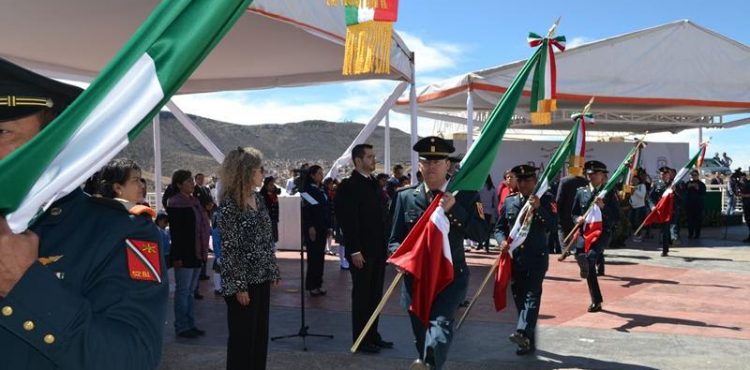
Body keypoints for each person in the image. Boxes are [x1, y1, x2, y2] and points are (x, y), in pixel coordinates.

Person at [0, 57, 167, 369]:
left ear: (53, 143)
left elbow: (134, 359)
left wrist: (25, 284)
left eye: (2, 132)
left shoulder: (121, 232)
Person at [389, 137, 488, 370]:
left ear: (448, 165)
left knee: (441, 324)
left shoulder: (465, 196)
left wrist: (455, 209)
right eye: (426, 160)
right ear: (419, 165)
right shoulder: (405, 197)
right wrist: (398, 259)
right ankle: (429, 363)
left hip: (450, 277)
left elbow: (482, 233)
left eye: (438, 161)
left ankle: (429, 364)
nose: (432, 166)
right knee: (422, 334)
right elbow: (394, 240)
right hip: (415, 280)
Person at [217, 147, 281, 370]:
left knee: (259, 338)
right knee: (242, 341)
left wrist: (272, 269)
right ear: (246, 171)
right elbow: (230, 247)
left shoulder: (259, 199)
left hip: (261, 278)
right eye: (260, 169)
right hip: (242, 284)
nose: (263, 173)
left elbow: (266, 238)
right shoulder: (228, 205)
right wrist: (239, 286)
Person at [336, 144, 392, 354]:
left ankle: (373, 334)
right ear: (358, 161)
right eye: (369, 157)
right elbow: (348, 221)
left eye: (373, 155)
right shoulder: (349, 186)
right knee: (362, 295)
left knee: (375, 294)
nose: (373, 159)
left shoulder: (373, 183)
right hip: (362, 252)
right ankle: (361, 338)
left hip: (377, 249)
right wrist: (354, 250)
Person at [495, 165, 556, 355]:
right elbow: (499, 228)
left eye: (527, 180)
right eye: (519, 180)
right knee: (520, 299)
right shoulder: (510, 201)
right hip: (516, 259)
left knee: (532, 296)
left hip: (536, 257)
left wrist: (538, 209)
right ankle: (528, 341)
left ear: (535, 181)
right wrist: (501, 241)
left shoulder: (546, 199)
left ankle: (521, 331)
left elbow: (554, 226)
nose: (522, 184)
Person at [166, 169, 210, 338]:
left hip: (197, 252)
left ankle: (190, 324)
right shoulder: (175, 203)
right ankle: (181, 326)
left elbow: (201, 227)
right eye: (188, 181)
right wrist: (176, 257)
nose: (192, 184)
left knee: (191, 291)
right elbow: (176, 234)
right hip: (184, 254)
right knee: (183, 291)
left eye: (192, 181)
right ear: (179, 185)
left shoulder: (195, 202)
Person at [571, 160, 620, 312]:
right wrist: (577, 219)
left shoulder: (609, 193)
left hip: (601, 233)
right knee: (582, 258)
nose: (590, 176)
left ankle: (595, 300)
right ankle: (596, 300)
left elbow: (616, 217)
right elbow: (574, 212)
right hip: (585, 232)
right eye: (588, 173)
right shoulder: (581, 192)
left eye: (594, 174)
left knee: (590, 258)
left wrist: (603, 207)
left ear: (602, 176)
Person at [301, 165, 331, 297]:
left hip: (322, 227)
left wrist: (329, 226)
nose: (321, 175)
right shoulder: (306, 190)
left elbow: (325, 208)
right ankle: (312, 286)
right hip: (313, 228)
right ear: (312, 175)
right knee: (313, 257)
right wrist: (310, 226)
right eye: (319, 173)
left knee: (320, 257)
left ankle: (318, 284)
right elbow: (308, 210)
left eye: (322, 173)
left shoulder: (321, 189)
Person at [555, 171, 589, 255]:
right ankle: (576, 250)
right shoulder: (585, 181)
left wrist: (556, 211)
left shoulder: (564, 181)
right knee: (577, 233)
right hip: (579, 213)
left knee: (562, 231)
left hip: (564, 213)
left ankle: (565, 250)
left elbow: (559, 198)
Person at [477, 175, 498, 252]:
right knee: (487, 228)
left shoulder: (479, 187)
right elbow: (495, 201)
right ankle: (486, 246)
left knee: (480, 227)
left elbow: (477, 198)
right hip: (489, 210)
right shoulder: (492, 189)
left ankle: (480, 244)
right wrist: (495, 211)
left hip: (480, 208)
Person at [685, 170, 707, 239]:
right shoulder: (688, 183)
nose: (693, 176)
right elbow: (684, 192)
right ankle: (690, 234)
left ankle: (697, 234)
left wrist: (697, 188)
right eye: (692, 175)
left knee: (698, 221)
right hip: (689, 205)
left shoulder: (701, 184)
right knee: (690, 221)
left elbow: (703, 193)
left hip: (698, 205)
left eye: (695, 175)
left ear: (697, 175)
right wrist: (687, 187)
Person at [261, 176, 280, 247]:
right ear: (266, 186)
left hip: (274, 219)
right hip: (266, 221)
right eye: (271, 185)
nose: (273, 186)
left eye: (273, 184)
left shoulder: (274, 195)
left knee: (273, 239)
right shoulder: (262, 195)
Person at [628, 175, 648, 242]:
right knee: (632, 222)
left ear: (638, 180)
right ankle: (634, 235)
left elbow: (642, 196)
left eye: (635, 179)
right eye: (633, 179)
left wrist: (634, 190)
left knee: (638, 222)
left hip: (640, 207)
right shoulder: (631, 187)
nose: (634, 181)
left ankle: (639, 236)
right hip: (633, 207)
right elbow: (628, 196)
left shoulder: (642, 186)